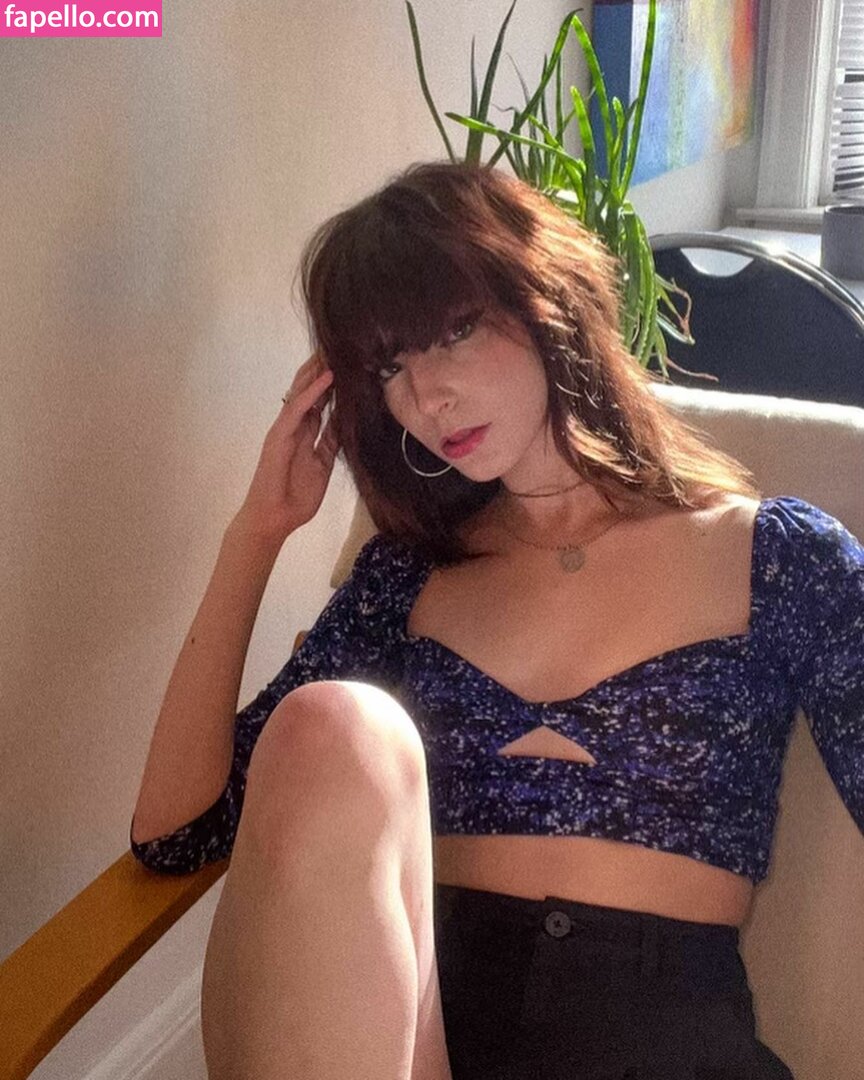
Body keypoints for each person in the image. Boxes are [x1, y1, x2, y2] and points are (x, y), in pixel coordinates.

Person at [130, 161, 864, 1080]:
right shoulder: (405, 580)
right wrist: (256, 533)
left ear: (545, 299)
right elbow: (178, 836)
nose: (425, 398)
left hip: (664, 1047)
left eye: (453, 333)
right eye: (388, 367)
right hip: (414, 1040)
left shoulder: (779, 559)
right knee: (329, 723)